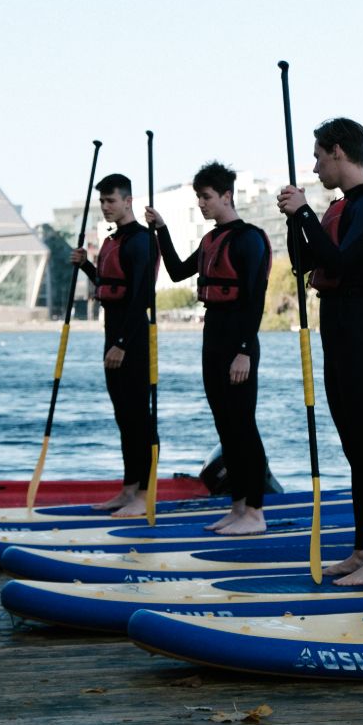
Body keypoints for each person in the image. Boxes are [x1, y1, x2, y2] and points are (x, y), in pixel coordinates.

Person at [277, 117, 363, 586]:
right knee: (354, 448)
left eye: (317, 156)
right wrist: (297, 219)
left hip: (361, 334)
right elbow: (306, 262)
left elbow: (346, 265)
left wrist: (306, 213)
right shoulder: (342, 206)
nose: (314, 166)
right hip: (339, 331)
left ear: (337, 152)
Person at [146, 162, 271, 535]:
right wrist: (162, 230)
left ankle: (255, 511)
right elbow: (176, 270)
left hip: (238, 342)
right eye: (198, 197)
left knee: (243, 425)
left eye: (206, 197)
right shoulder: (209, 240)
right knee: (225, 426)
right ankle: (237, 507)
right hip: (213, 338)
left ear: (226, 196)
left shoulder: (249, 238)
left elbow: (255, 299)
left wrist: (245, 350)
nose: (201, 203)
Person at [70, 174, 160, 516]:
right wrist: (86, 268)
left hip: (133, 336)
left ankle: (144, 494)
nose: (106, 207)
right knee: (123, 415)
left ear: (128, 201)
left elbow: (141, 297)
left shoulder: (141, 240)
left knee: (140, 417)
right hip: (113, 331)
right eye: (102, 202)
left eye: (111, 201)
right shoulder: (114, 240)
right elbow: (110, 285)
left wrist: (122, 343)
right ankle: (128, 488)